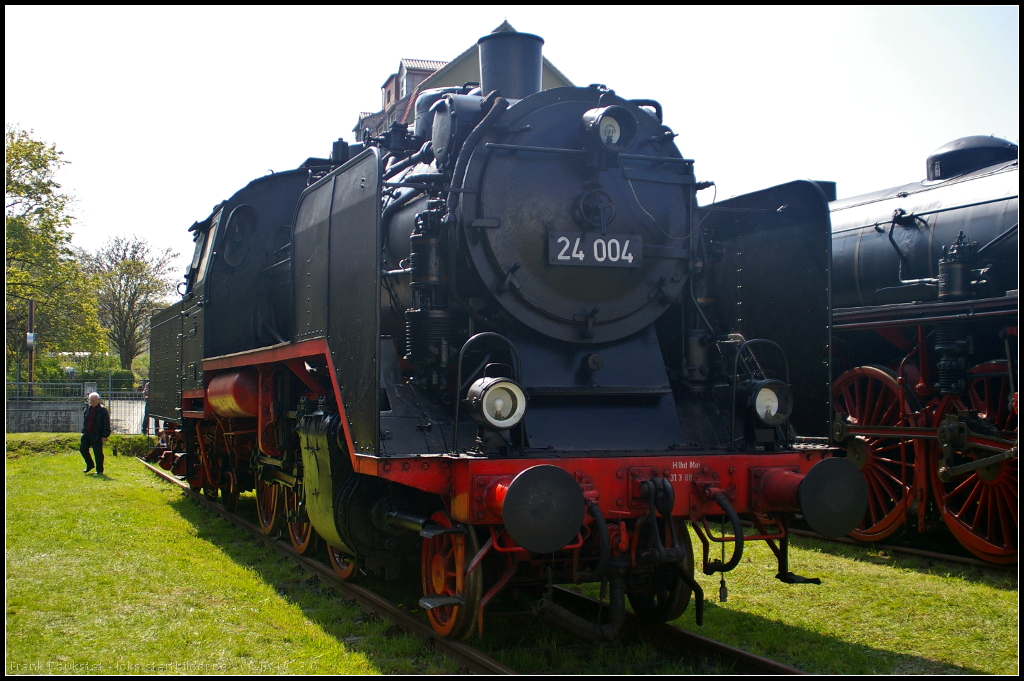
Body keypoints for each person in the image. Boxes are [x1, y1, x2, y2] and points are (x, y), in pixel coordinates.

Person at [81, 392, 111, 474]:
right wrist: (83, 431)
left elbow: (106, 423)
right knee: (82, 449)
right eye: (91, 400)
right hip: (87, 433)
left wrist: (105, 435)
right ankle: (90, 464)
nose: (92, 402)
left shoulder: (102, 410)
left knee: (98, 452)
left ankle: (99, 470)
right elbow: (86, 420)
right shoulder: (88, 408)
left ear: (98, 400)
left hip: (97, 434)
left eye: (94, 400)